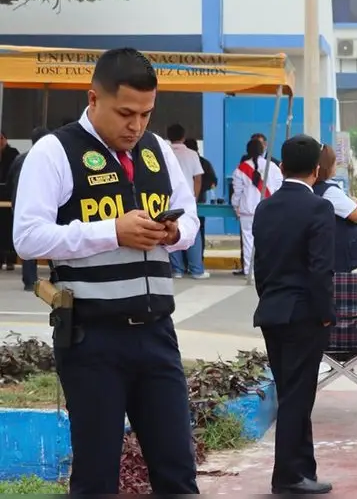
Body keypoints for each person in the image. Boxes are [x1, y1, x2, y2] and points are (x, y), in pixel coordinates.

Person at [12, 47, 200, 494]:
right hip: (92, 337)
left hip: (157, 333)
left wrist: (174, 234)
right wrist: (111, 232)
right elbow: (28, 238)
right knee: (96, 477)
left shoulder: (157, 151)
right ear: (93, 98)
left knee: (178, 472)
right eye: (125, 113)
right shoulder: (54, 152)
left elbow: (190, 219)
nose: (136, 126)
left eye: (146, 113)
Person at [251, 134, 336, 494]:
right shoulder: (319, 208)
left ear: (281, 167)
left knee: (290, 392)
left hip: (272, 311)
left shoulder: (264, 207)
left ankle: (303, 468)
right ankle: (287, 476)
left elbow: (261, 266)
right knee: (298, 396)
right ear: (317, 171)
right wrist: (325, 312)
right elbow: (320, 269)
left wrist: (269, 298)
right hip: (304, 314)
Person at [9, 126, 53, 290]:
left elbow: (8, 181)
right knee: (50, 239)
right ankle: (57, 274)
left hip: (20, 205)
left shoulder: (21, 159)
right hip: (46, 204)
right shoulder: (49, 159)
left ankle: (29, 280)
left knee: (28, 239)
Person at [231, 138, 282, 276]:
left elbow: (237, 192)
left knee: (248, 242)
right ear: (262, 150)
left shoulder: (240, 169)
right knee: (267, 241)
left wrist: (236, 206)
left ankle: (249, 271)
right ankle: (267, 270)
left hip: (247, 211)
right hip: (268, 209)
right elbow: (279, 187)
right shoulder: (273, 167)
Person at [165, 124, 208, 279]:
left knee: (170, 230)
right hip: (186, 198)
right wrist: (194, 197)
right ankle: (196, 269)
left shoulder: (163, 151)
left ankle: (177, 270)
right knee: (193, 232)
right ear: (183, 137)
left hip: (166, 198)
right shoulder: (191, 154)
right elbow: (197, 178)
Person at [315, 144, 357, 273]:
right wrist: (356, 202)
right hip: (337, 255)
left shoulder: (312, 187)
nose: (336, 165)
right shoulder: (330, 191)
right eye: (334, 162)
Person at [184, 138, 216, 271]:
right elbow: (213, 181)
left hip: (195, 200)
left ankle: (185, 264)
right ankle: (196, 262)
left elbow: (211, 180)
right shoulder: (203, 162)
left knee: (190, 231)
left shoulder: (202, 162)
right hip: (198, 200)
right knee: (197, 231)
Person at [0, 131, 20, 270]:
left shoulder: (13, 153)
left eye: (1, 138)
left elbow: (13, 174)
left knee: (9, 229)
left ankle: (11, 260)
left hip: (9, 196)